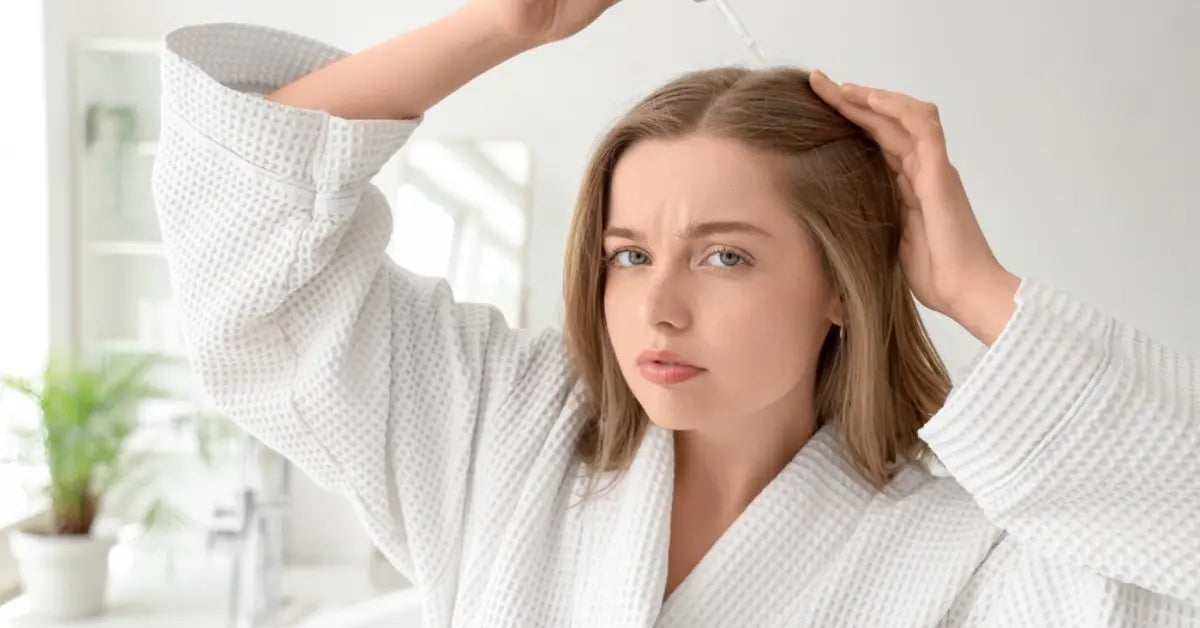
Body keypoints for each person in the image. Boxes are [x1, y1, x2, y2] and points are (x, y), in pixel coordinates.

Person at [150, 0, 1198, 625]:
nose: (657, 306)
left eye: (725, 256)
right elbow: (245, 249)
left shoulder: (967, 547)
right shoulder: (499, 432)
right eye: (629, 254)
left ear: (843, 281)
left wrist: (976, 286)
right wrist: (506, 23)